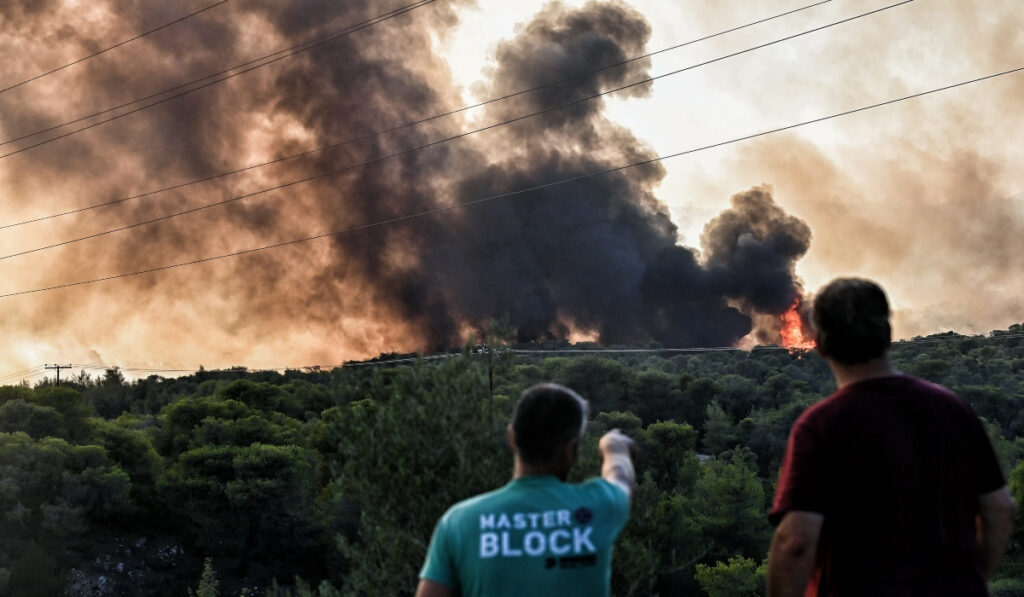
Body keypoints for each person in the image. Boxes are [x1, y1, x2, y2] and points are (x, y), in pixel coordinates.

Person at [767, 277, 1015, 596]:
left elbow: (796, 541)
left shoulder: (821, 426)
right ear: (887, 335)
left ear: (820, 343)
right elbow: (999, 508)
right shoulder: (952, 408)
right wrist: (971, 578)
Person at [416, 383, 635, 597]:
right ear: (570, 450)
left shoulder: (459, 522)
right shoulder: (600, 505)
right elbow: (621, 475)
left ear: (512, 437)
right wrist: (613, 446)